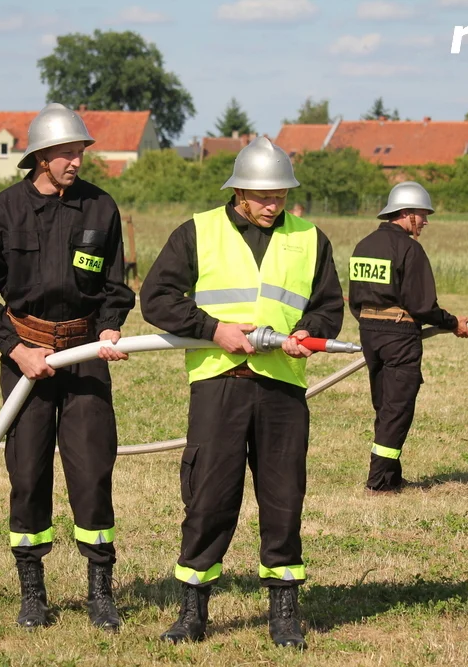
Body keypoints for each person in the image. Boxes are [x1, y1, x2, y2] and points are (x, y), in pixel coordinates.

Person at [140, 136, 344, 649]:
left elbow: (327, 308)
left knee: (284, 500)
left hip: (282, 389)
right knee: (209, 499)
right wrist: (213, 329)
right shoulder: (197, 231)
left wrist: (306, 335)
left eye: (281, 194)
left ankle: (284, 612)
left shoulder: (311, 238)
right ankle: (192, 612)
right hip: (220, 385)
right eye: (263, 195)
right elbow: (157, 298)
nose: (273, 204)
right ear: (238, 192)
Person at [0, 103, 135, 631]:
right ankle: (32, 591)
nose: (74, 161)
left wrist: (108, 327)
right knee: (28, 474)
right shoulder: (3, 211)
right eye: (64, 152)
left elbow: (115, 285)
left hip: (84, 359)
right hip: (27, 362)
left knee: (92, 471)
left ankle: (99, 590)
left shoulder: (101, 209)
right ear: (39, 156)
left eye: (79, 151)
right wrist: (18, 351)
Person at [347, 182, 468, 495]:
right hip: (399, 335)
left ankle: (390, 477)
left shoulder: (363, 245)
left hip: (369, 332)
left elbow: (354, 299)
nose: (426, 222)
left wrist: (372, 325)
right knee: (398, 408)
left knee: (385, 405)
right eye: (422, 214)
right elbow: (422, 305)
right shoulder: (409, 249)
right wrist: (453, 322)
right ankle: (378, 483)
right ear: (405, 213)